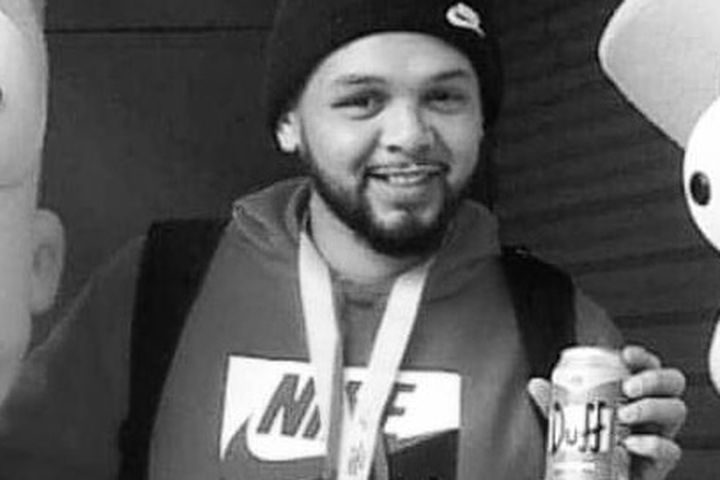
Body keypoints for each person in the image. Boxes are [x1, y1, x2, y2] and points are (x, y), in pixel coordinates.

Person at [0, 0, 686, 479]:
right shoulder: (161, 287)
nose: (409, 135)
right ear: (290, 124)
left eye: (445, 97)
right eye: (362, 100)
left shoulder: (557, 324)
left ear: (482, 119)